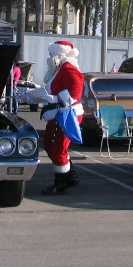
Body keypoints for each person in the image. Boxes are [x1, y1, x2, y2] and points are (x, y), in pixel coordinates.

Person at [41, 40, 84, 195]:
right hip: (57, 113)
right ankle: (69, 175)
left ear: (58, 54)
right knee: (48, 144)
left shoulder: (68, 69)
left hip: (67, 114)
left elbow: (75, 94)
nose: (50, 57)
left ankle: (61, 183)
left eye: (52, 54)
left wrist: (54, 99)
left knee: (59, 147)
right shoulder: (58, 69)